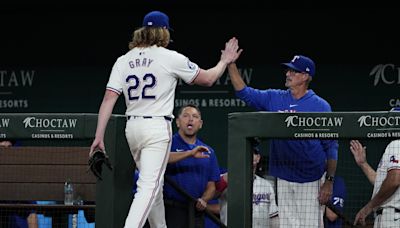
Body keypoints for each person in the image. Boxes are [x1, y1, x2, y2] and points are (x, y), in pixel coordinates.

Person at [89, 10, 240, 228]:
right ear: (164, 32)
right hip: (156, 127)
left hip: (132, 127)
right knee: (148, 188)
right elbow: (208, 79)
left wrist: (98, 136)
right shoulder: (169, 57)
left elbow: (108, 99)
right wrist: (224, 61)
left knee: (154, 188)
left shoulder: (123, 60)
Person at [227, 54, 339, 227]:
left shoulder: (320, 106)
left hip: (311, 177)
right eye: (288, 70)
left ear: (305, 76)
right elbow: (244, 93)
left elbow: (331, 146)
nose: (288, 74)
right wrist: (231, 63)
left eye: (294, 71)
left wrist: (329, 182)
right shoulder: (275, 98)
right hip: (284, 175)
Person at [163, 104, 221, 228]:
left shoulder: (208, 151)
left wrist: (204, 200)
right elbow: (161, 159)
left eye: (195, 117)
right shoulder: (167, 144)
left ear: (200, 124)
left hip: (196, 212)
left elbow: (211, 186)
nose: (190, 119)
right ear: (178, 122)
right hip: (172, 210)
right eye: (186, 116)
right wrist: (190, 153)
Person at [215, 137, 279, 228]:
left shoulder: (266, 185)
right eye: (245, 152)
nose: (249, 155)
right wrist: (228, 178)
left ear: (258, 158)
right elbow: (212, 193)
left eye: (253, 153)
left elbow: (273, 217)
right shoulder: (226, 178)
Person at [350, 139, 400, 227]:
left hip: (392, 218)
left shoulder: (397, 145)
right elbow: (382, 184)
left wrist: (368, 207)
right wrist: (363, 164)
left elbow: (393, 181)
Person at [0, 140, 39, 228]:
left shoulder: (20, 178)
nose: (6, 151)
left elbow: (31, 212)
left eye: (9, 148)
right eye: (2, 149)